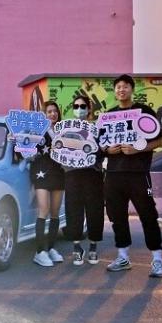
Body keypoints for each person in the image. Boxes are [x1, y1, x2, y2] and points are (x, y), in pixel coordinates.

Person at [103, 74, 162, 278]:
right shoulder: (109, 116)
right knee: (117, 217)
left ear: (132, 89)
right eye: (118, 87)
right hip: (114, 174)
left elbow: (159, 141)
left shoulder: (143, 112)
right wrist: (107, 150)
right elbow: (101, 144)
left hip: (138, 174)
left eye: (125, 86)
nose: (121, 90)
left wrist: (138, 149)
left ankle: (157, 259)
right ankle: (123, 257)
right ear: (115, 91)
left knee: (148, 215)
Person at [63, 95, 104, 266]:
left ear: (89, 109)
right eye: (76, 106)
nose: (79, 109)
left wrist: (96, 155)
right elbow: (60, 151)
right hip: (72, 175)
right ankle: (77, 247)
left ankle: (93, 246)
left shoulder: (97, 128)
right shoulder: (66, 128)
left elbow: (103, 151)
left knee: (95, 210)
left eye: (83, 106)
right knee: (73, 211)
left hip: (93, 174)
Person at [31, 100, 66, 267]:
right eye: (49, 111)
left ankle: (51, 248)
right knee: (43, 210)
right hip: (41, 174)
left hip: (59, 173)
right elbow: (26, 149)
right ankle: (40, 252)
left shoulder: (63, 131)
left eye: (55, 111)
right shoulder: (37, 131)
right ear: (44, 115)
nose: (53, 114)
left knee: (55, 212)